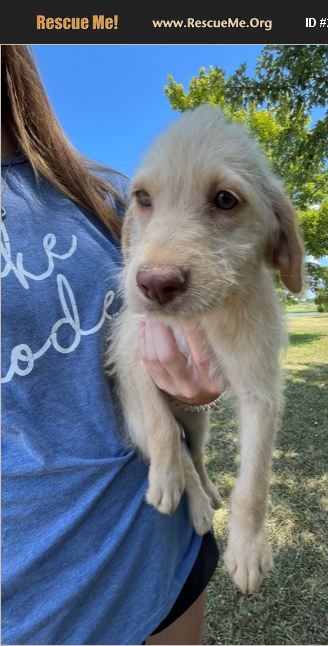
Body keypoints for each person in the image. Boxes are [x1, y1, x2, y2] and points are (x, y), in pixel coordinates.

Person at [1, 45, 223, 645]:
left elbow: (184, 349)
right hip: (26, 606)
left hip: (157, 553)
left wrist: (202, 386)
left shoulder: (111, 197)